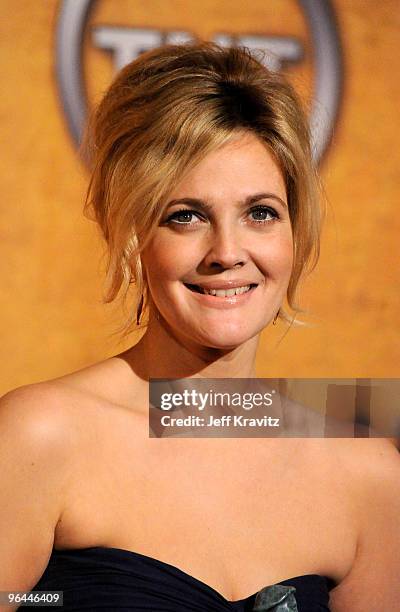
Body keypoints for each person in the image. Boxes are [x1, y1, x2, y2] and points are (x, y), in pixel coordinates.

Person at [1, 41, 399, 612]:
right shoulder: (40, 436)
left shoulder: (368, 476)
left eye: (260, 213)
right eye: (185, 216)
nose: (227, 252)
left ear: (296, 232)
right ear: (135, 234)